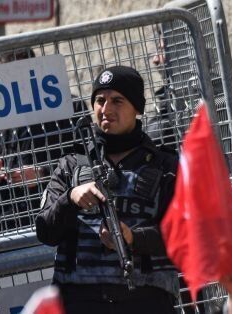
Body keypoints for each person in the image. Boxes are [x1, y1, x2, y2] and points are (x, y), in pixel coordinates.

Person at [35, 65, 179, 313]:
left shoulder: (166, 166)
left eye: (117, 100)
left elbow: (184, 236)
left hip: (145, 300)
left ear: (137, 108)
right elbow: (45, 231)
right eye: (100, 100)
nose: (106, 109)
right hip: (80, 301)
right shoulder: (71, 166)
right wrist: (70, 199)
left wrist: (133, 238)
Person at [0, 49, 85, 236]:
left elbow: (87, 159)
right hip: (1, 221)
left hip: (54, 215)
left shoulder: (68, 107)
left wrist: (44, 173)